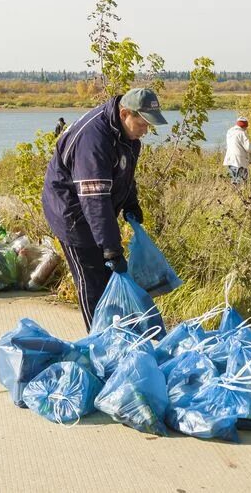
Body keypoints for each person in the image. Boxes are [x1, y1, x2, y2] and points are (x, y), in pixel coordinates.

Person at [42, 88, 167, 330]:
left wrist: (131, 201)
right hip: (72, 212)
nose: (145, 130)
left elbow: (124, 175)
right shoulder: (94, 140)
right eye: (142, 124)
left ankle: (118, 336)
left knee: (110, 279)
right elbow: (94, 199)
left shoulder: (128, 138)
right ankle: (99, 343)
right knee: (92, 281)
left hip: (94, 208)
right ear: (124, 114)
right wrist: (110, 247)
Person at [223, 116, 251, 184]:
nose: (246, 129)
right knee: (242, 182)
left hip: (230, 160)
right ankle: (241, 194)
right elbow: (249, 148)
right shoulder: (242, 133)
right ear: (244, 126)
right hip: (239, 162)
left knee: (234, 181)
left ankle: (234, 193)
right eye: (246, 127)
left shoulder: (230, 132)